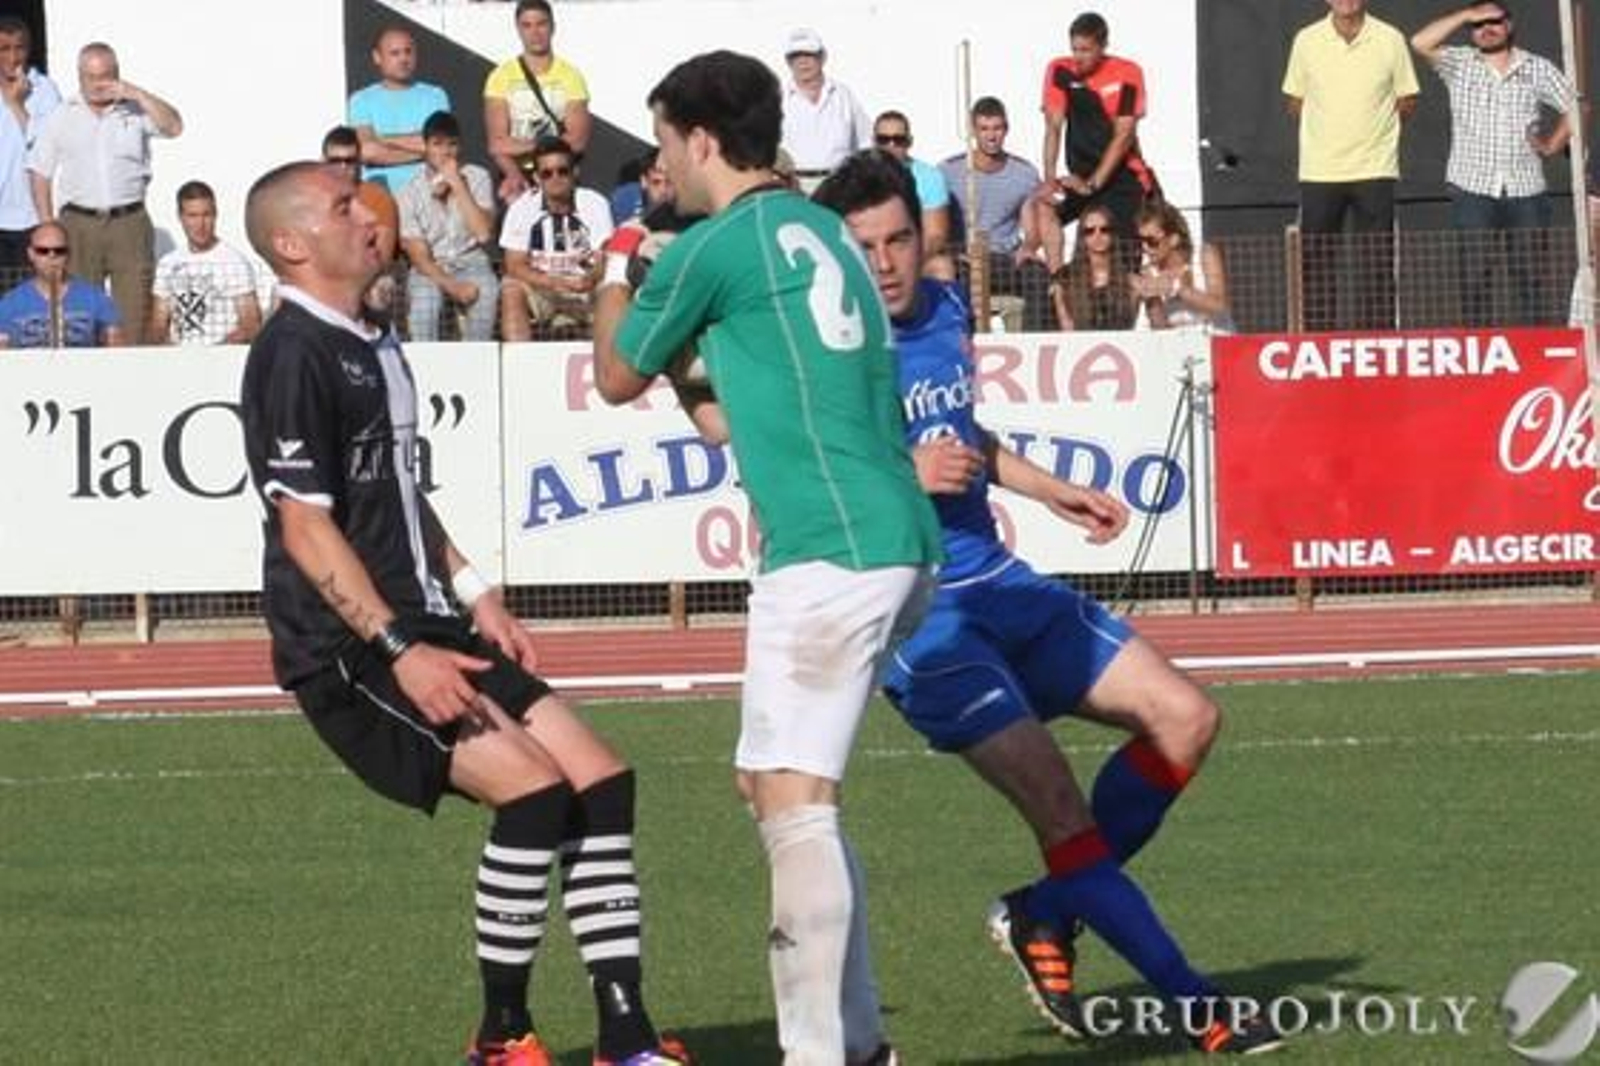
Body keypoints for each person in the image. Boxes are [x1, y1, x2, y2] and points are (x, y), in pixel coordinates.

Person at [813, 150, 1284, 1056]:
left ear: (924, 235)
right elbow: (798, 483)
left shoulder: (950, 309)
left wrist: (1047, 486)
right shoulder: (829, 353)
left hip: (1000, 579)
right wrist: (897, 474)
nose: (885, 263)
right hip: (919, 611)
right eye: (864, 246)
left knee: (1186, 720)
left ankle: (1044, 910)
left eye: (899, 239)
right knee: (1062, 809)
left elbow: (968, 440)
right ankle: (1199, 1007)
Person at [238, 159, 687, 1066]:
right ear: (292, 245)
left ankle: (626, 1037)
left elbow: (401, 495)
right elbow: (304, 527)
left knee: (602, 779)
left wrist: (476, 591)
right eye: (343, 206)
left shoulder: (373, 337)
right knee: (531, 791)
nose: (370, 215)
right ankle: (502, 1037)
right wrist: (400, 647)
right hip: (349, 647)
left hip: (424, 621)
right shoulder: (291, 353)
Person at [591, 50, 942, 1066]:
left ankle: (819, 1053)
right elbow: (727, 410)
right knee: (780, 791)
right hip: (885, 531)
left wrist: (621, 265)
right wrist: (692, 367)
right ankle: (862, 1042)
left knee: (793, 800)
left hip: (830, 544)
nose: (662, 166)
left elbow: (616, 373)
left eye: (663, 144)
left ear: (702, 140)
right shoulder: (821, 229)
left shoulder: (719, 240)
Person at [1411, 2, 1575, 326]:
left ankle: (1530, 356)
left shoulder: (1536, 67)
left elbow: (1576, 105)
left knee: (1530, 282)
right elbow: (1419, 42)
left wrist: (1552, 144)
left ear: (1509, 25)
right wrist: (1463, 15)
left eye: (1494, 22)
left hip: (1526, 189)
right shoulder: (1459, 62)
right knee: (1474, 282)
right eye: (1478, 24)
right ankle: (1481, 358)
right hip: (1473, 189)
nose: (1486, 29)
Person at [28, 41, 182, 345]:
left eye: (105, 76)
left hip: (129, 222)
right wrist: (47, 225)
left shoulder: (136, 111)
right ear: (79, 76)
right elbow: (40, 173)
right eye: (90, 77)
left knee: (133, 315)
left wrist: (135, 93)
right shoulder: (62, 116)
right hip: (78, 225)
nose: (98, 84)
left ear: (117, 74)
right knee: (81, 315)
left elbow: (174, 126)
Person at [1283, 0, 1419, 331]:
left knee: (1376, 263)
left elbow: (1407, 98)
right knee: (1316, 264)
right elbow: (1294, 101)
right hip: (1320, 170)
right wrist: (1329, 132)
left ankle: (1377, 341)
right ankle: (1320, 342)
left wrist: (1375, 132)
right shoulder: (1306, 39)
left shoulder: (1390, 38)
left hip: (1375, 168)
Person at [1036, 11, 1160, 274]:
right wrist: (1049, 178)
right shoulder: (1059, 70)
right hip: (1081, 176)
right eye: (1074, 49)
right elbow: (1053, 126)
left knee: (1126, 264)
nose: (1078, 57)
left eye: (1086, 50)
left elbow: (1124, 135)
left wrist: (1093, 184)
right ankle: (1058, 281)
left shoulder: (1128, 73)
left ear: (1103, 47)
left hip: (1122, 179)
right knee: (1043, 209)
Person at [939, 96, 1053, 332]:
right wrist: (953, 251)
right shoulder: (948, 171)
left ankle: (1033, 344)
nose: (991, 136)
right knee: (954, 276)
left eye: (997, 128)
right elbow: (937, 221)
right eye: (984, 129)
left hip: (1005, 259)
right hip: (965, 260)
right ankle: (963, 343)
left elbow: (1031, 229)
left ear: (1006, 129)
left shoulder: (1024, 174)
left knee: (1038, 274)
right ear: (973, 131)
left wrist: (1029, 247)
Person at [398, 110, 498, 341]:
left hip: (472, 260)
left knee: (488, 291)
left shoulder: (478, 177)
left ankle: (476, 361)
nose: (446, 152)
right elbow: (419, 257)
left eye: (452, 144)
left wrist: (457, 184)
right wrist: (453, 287)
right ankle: (426, 369)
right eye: (437, 144)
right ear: (425, 147)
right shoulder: (408, 192)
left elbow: (483, 234)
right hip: (432, 265)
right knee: (425, 302)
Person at [499, 136, 611, 341]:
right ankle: (519, 364)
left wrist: (591, 279)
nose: (555, 178)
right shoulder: (521, 208)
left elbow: (604, 256)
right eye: (547, 173)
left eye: (563, 171)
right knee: (511, 287)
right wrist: (552, 281)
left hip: (585, 287)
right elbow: (514, 265)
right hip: (542, 287)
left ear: (575, 172)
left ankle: (606, 364)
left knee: (613, 288)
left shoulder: (595, 203)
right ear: (536, 178)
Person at [484, 0, 592, 203]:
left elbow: (578, 141)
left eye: (541, 24)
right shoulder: (500, 77)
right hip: (519, 177)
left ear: (553, 27)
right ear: (518, 29)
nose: (535, 32)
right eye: (527, 25)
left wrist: (523, 146)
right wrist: (514, 174)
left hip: (560, 174)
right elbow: (497, 144)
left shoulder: (571, 76)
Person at [150, 180, 262, 346]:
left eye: (206, 215)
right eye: (192, 216)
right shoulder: (168, 263)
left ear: (215, 215)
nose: (200, 224)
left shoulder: (233, 262)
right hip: (178, 357)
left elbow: (250, 324)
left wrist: (216, 350)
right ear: (181, 218)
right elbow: (158, 323)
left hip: (220, 354)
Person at [347, 25, 452, 194]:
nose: (404, 59)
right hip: (382, 194)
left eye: (408, 52)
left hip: (430, 192)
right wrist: (426, 151)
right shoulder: (361, 100)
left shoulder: (435, 95)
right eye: (395, 53)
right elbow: (368, 152)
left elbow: (443, 147)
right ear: (377, 57)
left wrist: (382, 139)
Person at [0, 220, 123, 347]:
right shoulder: (10, 303)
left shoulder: (96, 298)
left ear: (68, 254)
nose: (51, 256)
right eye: (43, 251)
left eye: (59, 251)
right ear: (31, 254)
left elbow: (115, 347)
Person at [0, 16, 60, 274]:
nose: (13, 57)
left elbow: (49, 147)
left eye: (19, 48)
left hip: (31, 217)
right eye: (4, 49)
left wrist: (17, 105)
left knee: (32, 302)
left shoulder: (44, 90)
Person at [778, 28, 871, 191]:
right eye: (796, 57)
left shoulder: (843, 95)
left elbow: (866, 141)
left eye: (809, 55)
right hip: (793, 186)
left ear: (822, 58)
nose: (803, 62)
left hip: (839, 184)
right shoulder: (778, 99)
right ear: (788, 62)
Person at [1130, 200, 1232, 332]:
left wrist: (1176, 288)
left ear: (1173, 239)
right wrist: (1151, 297)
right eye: (1140, 241)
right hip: (1180, 345)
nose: (1145, 248)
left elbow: (1221, 305)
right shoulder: (1149, 271)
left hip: (1216, 339)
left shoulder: (1204, 254)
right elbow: (1160, 328)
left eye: (1151, 241)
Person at [871, 110, 952, 277]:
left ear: (909, 142)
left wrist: (904, 262)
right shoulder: (860, 177)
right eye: (883, 140)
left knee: (942, 267)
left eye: (898, 140)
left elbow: (936, 236)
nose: (891, 146)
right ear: (874, 142)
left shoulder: (930, 177)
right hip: (871, 256)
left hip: (914, 256)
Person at [1050, 203, 1136, 331]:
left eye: (1104, 229)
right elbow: (1066, 327)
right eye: (1090, 231)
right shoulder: (1064, 278)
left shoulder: (1129, 279)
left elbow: (1131, 325)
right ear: (1082, 236)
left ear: (1112, 234)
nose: (1098, 235)